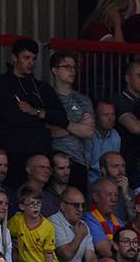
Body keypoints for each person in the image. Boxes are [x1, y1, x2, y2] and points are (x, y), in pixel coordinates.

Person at [0, 38, 67, 187]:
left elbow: (62, 117)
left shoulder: (41, 87)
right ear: (14, 58)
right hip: (15, 153)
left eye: (34, 58)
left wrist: (36, 112)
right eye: (26, 57)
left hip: (41, 152)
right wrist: (45, 124)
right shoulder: (2, 84)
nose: (31, 62)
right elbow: (12, 117)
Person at [47, 52, 94, 191]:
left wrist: (63, 124)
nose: (72, 71)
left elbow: (89, 131)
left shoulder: (83, 99)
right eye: (67, 67)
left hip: (79, 162)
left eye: (74, 67)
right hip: (54, 162)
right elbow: (50, 131)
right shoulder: (48, 97)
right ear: (55, 70)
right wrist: (78, 127)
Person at [8, 188, 56, 262]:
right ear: (22, 207)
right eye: (31, 204)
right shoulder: (17, 221)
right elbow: (5, 233)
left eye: (38, 203)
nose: (36, 206)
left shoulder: (48, 227)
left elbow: (48, 254)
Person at [84, 178, 124, 260]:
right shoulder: (88, 218)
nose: (114, 199)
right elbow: (107, 250)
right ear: (96, 197)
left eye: (116, 195)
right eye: (109, 194)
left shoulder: (119, 222)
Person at [49, 189, 94, 262]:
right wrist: (79, 236)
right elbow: (67, 255)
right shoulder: (53, 222)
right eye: (76, 205)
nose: (81, 209)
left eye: (83, 205)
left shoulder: (82, 224)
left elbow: (91, 256)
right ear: (63, 206)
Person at [85, 101, 121, 186]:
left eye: (113, 114)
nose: (110, 118)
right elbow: (84, 168)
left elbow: (115, 165)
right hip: (90, 183)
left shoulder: (115, 135)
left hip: (110, 183)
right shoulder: (88, 135)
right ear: (95, 117)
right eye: (105, 115)